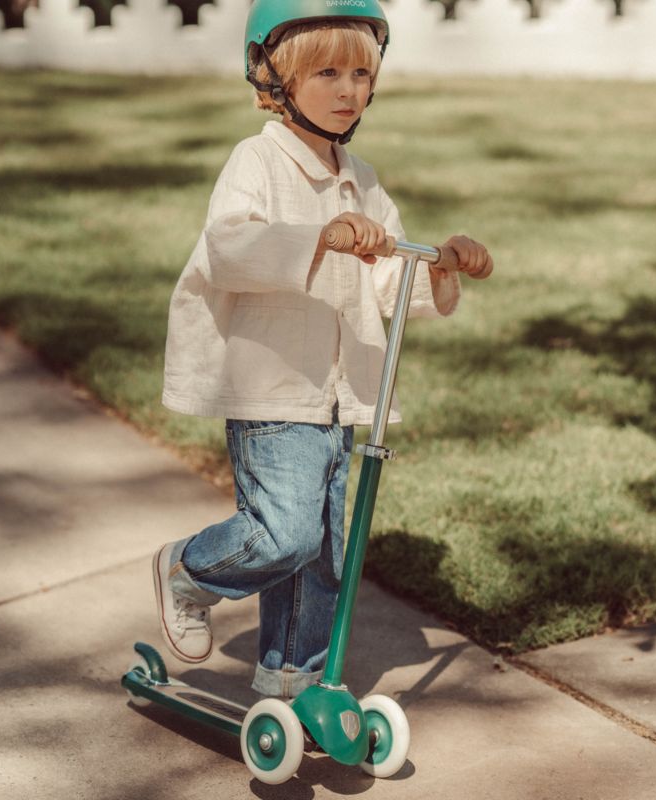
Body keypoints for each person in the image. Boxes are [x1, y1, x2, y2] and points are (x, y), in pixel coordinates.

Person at [153, 0, 494, 699]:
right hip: (276, 387)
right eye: (327, 72)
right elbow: (229, 248)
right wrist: (318, 237)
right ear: (274, 79)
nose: (347, 89)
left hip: (340, 397)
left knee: (326, 556)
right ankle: (188, 570)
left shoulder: (364, 181)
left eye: (361, 73)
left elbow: (392, 280)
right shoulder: (257, 163)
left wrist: (440, 265)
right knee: (284, 534)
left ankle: (288, 680)